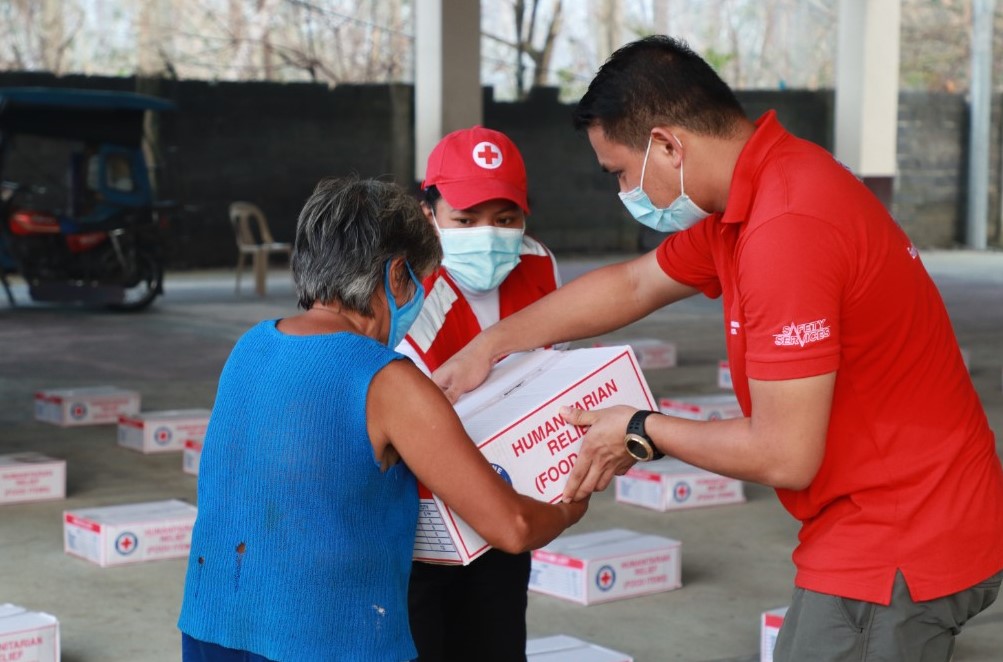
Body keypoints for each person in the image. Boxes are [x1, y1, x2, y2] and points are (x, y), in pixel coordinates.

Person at [432, 35, 1003, 662]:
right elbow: (635, 282)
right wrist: (492, 344)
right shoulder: (763, 189)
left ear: (669, 145)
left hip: (900, 534)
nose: (623, 191)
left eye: (620, 172)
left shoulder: (786, 230)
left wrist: (641, 428)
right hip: (900, 513)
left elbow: (785, 455)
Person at [176, 176, 587, 662]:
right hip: (328, 641)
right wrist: (571, 501)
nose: (418, 298)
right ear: (396, 277)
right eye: (420, 281)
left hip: (213, 626)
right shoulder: (388, 381)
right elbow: (512, 527)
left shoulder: (251, 346)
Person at [395, 126, 562, 662]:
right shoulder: (400, 287)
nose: (488, 236)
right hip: (417, 519)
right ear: (429, 215)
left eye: (505, 220)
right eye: (464, 221)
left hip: (506, 499)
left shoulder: (538, 266)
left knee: (497, 636)